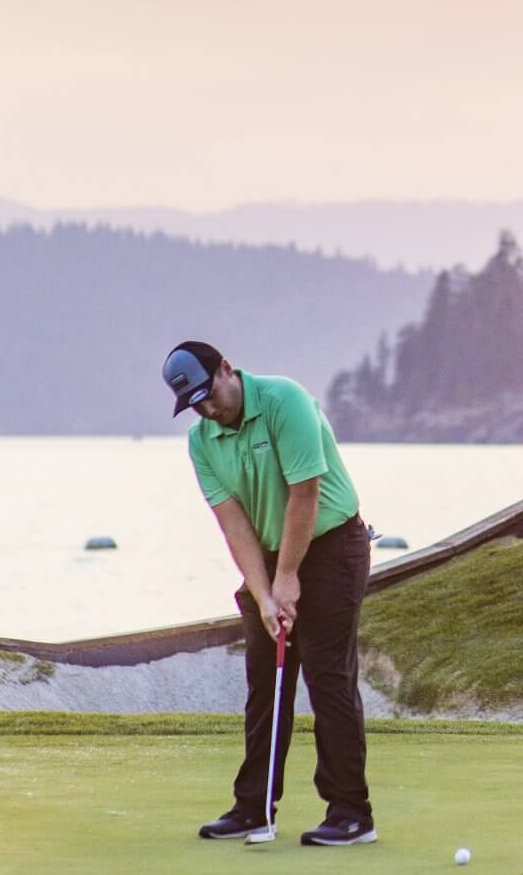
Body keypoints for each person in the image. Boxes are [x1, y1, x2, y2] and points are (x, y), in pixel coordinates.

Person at [161, 339, 376, 846]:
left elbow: (306, 493)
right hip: (269, 557)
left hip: (332, 544)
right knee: (266, 682)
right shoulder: (202, 440)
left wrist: (288, 577)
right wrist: (263, 594)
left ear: (227, 371)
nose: (206, 408)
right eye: (194, 403)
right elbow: (233, 523)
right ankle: (254, 808)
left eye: (209, 393)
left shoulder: (285, 401)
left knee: (328, 675)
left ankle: (351, 812)